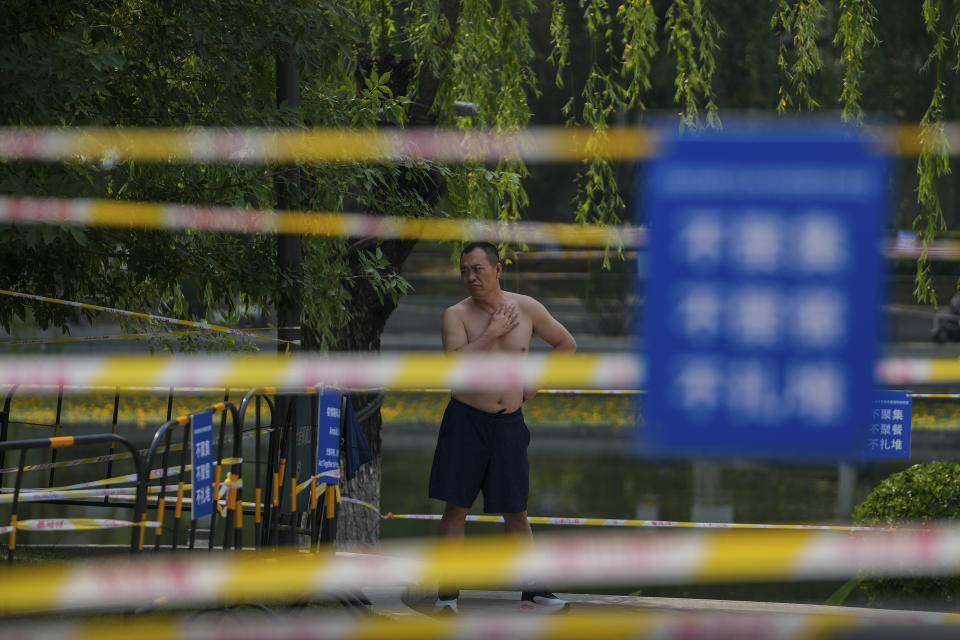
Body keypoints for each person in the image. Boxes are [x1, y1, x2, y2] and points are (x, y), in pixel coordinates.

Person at [428, 241, 577, 614]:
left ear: (497, 270)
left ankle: (533, 590)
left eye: (477, 269)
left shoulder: (526, 308)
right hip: (466, 421)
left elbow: (565, 344)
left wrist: (535, 384)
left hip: (509, 423)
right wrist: (492, 333)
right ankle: (447, 594)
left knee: (516, 510)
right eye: (464, 270)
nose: (470, 277)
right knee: (456, 509)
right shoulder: (455, 315)